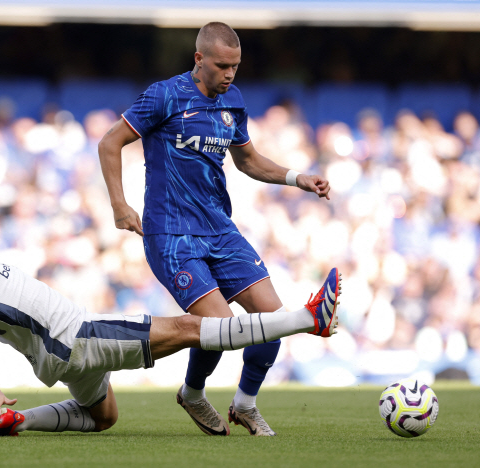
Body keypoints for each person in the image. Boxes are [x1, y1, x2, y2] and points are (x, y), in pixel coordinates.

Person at [0, 188, 341, 436]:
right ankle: (307, 319)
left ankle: (17, 421)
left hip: (54, 355)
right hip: (75, 335)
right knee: (192, 327)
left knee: (103, 417)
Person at [98, 22, 333, 436]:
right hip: (171, 235)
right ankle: (192, 392)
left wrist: (299, 178)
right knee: (223, 329)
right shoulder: (164, 95)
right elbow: (109, 143)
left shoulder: (234, 101)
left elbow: (249, 161)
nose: (229, 74)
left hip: (220, 230)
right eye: (222, 66)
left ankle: (245, 404)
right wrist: (120, 204)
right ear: (199, 59)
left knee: (270, 318)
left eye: (236, 67)